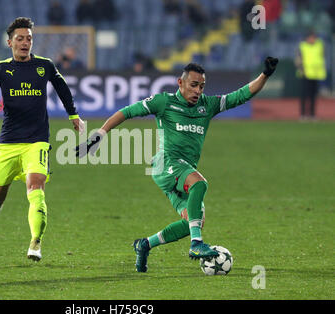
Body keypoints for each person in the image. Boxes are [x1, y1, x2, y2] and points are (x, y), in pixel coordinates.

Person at [76, 57, 279, 272]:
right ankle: (196, 244)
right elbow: (127, 112)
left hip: (181, 168)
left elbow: (242, 95)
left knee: (192, 221)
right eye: (193, 85)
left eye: (202, 86)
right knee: (200, 184)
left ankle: (145, 244)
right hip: (166, 164)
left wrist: (265, 74)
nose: (198, 91)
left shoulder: (207, 106)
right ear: (180, 83)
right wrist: (99, 134)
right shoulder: (163, 102)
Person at [0, 17, 84, 261]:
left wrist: (73, 115)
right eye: (20, 39)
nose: (25, 43)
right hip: (9, 141)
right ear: (10, 42)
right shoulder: (1, 68)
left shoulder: (45, 66)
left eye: (29, 39)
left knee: (36, 188)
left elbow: (63, 89)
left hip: (37, 140)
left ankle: (35, 242)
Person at [295, 31, 327, 120]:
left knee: (313, 95)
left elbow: (323, 56)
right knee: (304, 95)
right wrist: (301, 69)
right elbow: (298, 59)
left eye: (314, 37)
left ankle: (312, 115)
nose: (313, 39)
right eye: (312, 37)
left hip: (316, 74)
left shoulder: (320, 45)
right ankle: (303, 115)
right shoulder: (302, 46)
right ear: (307, 38)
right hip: (305, 74)